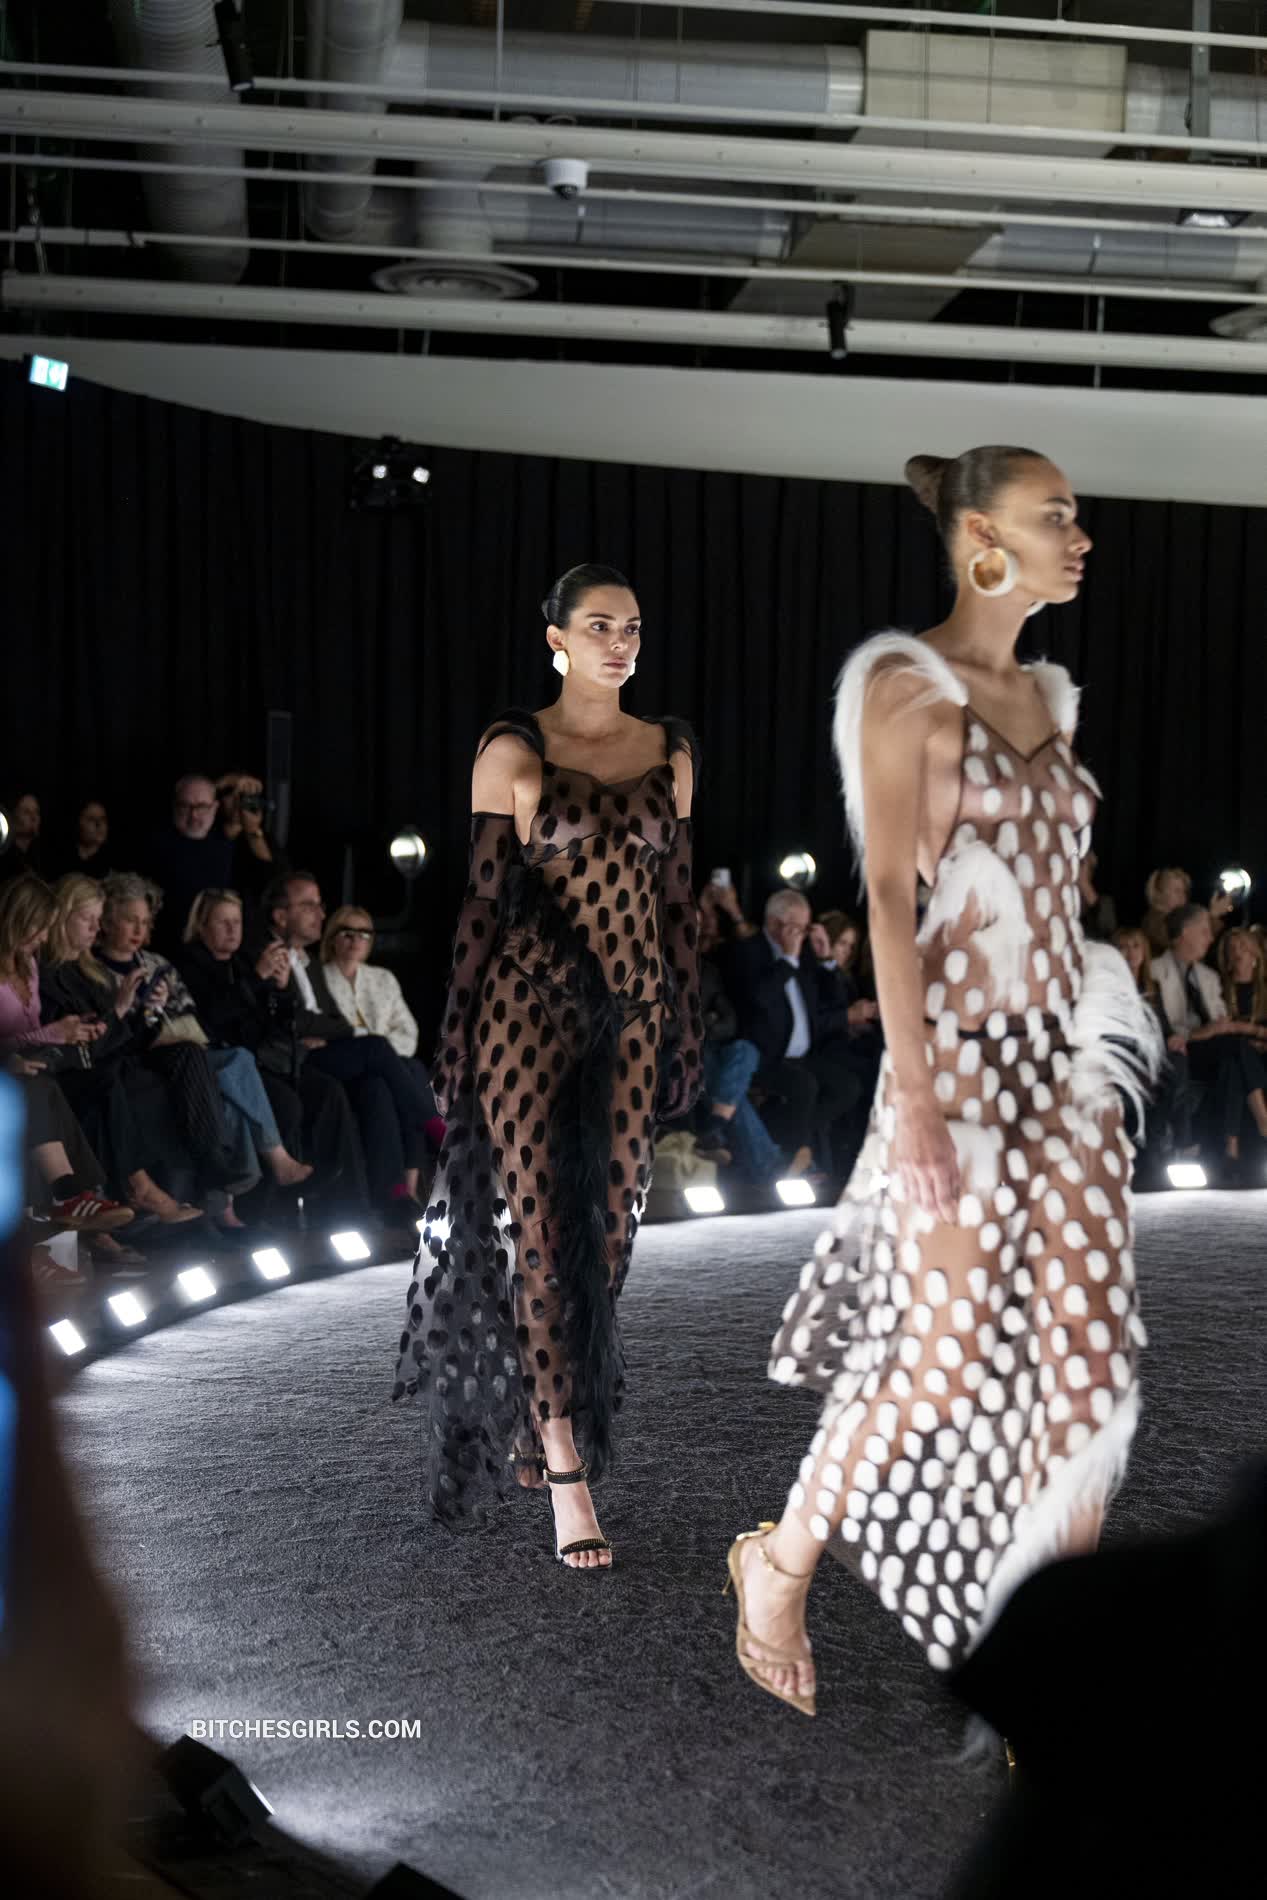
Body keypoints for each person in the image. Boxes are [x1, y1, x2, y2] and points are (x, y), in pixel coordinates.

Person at [726, 443, 1162, 1716]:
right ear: (982, 536)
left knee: (1084, 1369)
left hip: (1062, 1065)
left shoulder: (1050, 697)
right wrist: (912, 1098)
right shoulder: (900, 683)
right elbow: (882, 898)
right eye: (1054, 516)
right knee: (935, 1358)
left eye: (1077, 517)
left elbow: (1051, 888)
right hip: (960, 1070)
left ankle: (1051, 1667)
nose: (1079, 537)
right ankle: (777, 1562)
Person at [393, 561, 703, 1568]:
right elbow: (481, 904)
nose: (621, 643)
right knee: (539, 1230)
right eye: (600, 626)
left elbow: (677, 904)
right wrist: (453, 1033)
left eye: (633, 627)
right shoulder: (511, 750)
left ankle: (547, 1404)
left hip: (636, 1013)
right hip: (526, 1011)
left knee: (604, 1238)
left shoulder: (669, 751)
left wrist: (687, 1022)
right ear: (557, 639)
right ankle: (564, 1463)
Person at [94, 875, 312, 1225]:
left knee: (243, 1090)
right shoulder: (96, 969)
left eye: (145, 922)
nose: (138, 929)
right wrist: (145, 1011)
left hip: (192, 1047)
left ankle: (234, 1198)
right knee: (234, 1065)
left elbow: (189, 1012)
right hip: (150, 1056)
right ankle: (267, 1166)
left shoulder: (157, 963)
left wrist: (280, 989)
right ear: (106, 922)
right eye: (130, 920)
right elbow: (198, 1020)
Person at [178, 889, 370, 1219]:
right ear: (202, 926)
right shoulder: (191, 963)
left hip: (261, 1059)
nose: (232, 930)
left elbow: (274, 1022)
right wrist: (257, 978)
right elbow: (212, 1020)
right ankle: (261, 1208)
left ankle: (339, 1205)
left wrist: (280, 989)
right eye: (223, 922)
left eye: (237, 922)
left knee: (327, 1090)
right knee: (286, 1105)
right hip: (216, 1061)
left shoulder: (240, 962)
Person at [260, 871, 435, 1215]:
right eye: (309, 905)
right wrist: (335, 1030)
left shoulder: (311, 964)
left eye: (364, 934)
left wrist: (331, 1030)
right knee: (378, 1049)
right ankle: (432, 1124)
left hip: (341, 1054)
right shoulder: (290, 961)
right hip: (302, 1057)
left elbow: (336, 1022)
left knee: (378, 1085)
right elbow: (299, 1019)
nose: (319, 913)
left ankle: (395, 1194)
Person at [38, 875, 204, 1231]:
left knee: (153, 1081)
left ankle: (127, 1206)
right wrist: (119, 1011)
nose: (95, 928)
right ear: (62, 917)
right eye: (88, 919)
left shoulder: (87, 972)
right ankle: (139, 1188)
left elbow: (117, 1039)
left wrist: (143, 1012)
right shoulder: (47, 973)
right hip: (66, 1072)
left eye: (98, 920)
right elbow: (80, 1043)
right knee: (112, 1084)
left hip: (104, 1065)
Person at [724, 888, 862, 1178]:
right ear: (775, 924)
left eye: (805, 928)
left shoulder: (804, 955)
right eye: (797, 928)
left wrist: (826, 959)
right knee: (803, 1085)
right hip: (765, 1055)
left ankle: (788, 1138)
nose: (802, 935)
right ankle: (791, 1161)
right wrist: (787, 960)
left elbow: (832, 1002)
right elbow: (757, 999)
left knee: (848, 1086)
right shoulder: (751, 951)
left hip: (801, 1055)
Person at [1151, 904, 1267, 1168]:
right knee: (1235, 1047)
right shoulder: (1156, 971)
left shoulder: (1208, 977)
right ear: (1185, 932)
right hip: (1179, 1048)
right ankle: (1259, 1124)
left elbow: (1219, 1022)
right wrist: (1200, 1033)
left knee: (1232, 1062)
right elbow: (1161, 1026)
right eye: (1204, 931)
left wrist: (1218, 1028)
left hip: (1208, 1049)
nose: (1211, 938)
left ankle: (1231, 1150)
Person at [1112, 924, 1198, 1162]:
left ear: (1144, 952)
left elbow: (1164, 1027)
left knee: (1178, 1060)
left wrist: (1173, 1038)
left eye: (1136, 946)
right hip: (1128, 1052)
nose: (1130, 952)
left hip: (1154, 1050)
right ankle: (1179, 1139)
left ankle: (1163, 1133)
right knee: (1166, 1071)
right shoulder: (1109, 987)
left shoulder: (1152, 987)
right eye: (1123, 947)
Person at [141, 775, 235, 955]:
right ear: (174, 806)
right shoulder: (153, 845)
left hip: (213, 949)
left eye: (202, 807)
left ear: (215, 808)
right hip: (164, 947)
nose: (194, 815)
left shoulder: (226, 846)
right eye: (185, 806)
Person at [214, 770, 284, 903]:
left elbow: (277, 880)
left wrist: (252, 830)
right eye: (231, 795)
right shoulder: (204, 830)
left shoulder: (260, 838)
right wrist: (227, 781)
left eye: (245, 797)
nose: (238, 801)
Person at [1140, 866, 1232, 959]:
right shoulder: (1153, 922)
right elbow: (1183, 944)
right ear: (1159, 894)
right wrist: (1212, 917)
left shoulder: (1182, 919)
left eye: (1184, 891)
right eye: (1177, 891)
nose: (1182, 896)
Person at [52, 800, 113, 882]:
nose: (99, 824)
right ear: (77, 823)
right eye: (91, 819)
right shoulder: (60, 860)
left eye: (103, 819)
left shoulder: (113, 864)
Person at [0, 793, 43, 886]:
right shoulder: (6, 860)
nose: (34, 817)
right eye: (27, 812)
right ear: (12, 816)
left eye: (37, 812)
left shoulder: (36, 858)